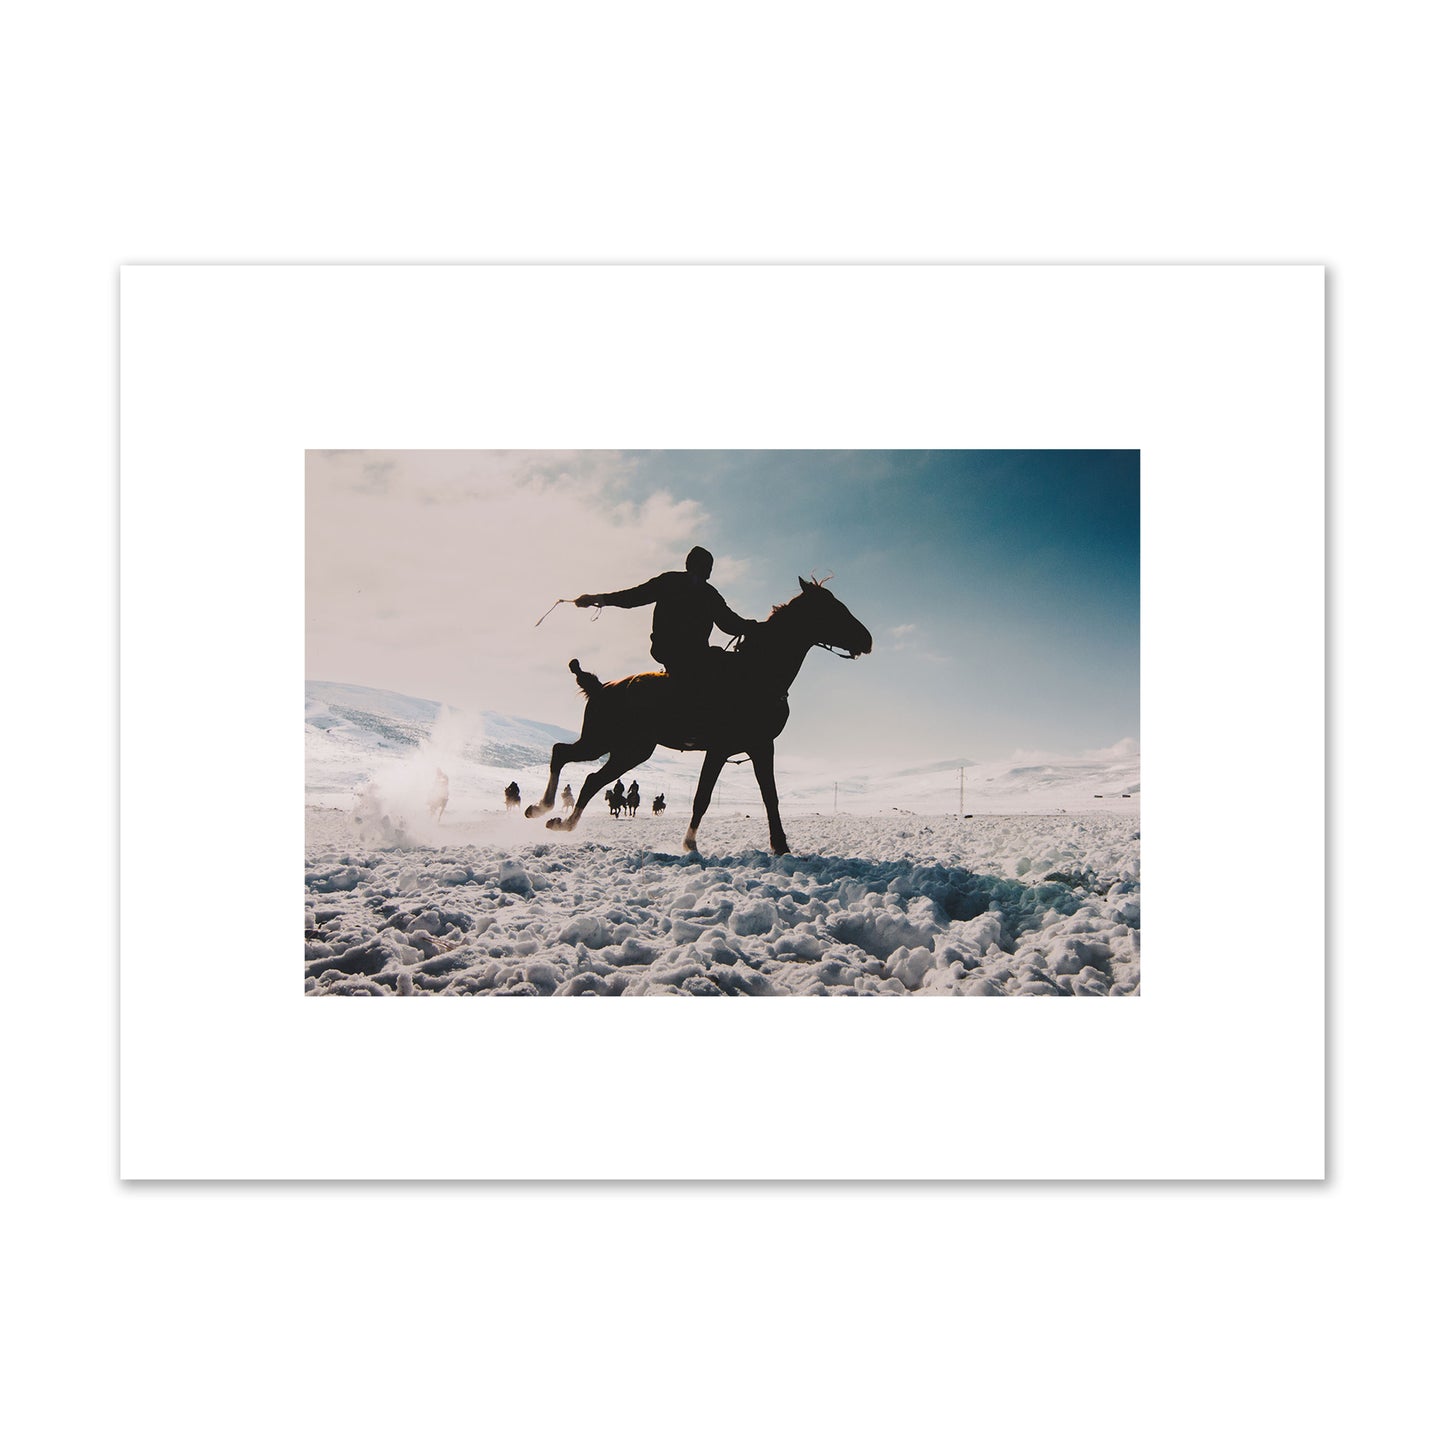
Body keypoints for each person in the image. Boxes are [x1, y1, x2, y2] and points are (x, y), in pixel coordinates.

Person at [575, 546, 756, 685]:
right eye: (704, 567)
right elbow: (633, 597)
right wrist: (598, 599)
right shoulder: (674, 583)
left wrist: (754, 627)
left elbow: (729, 622)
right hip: (672, 651)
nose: (705, 572)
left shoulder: (707, 593)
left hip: (694, 654)